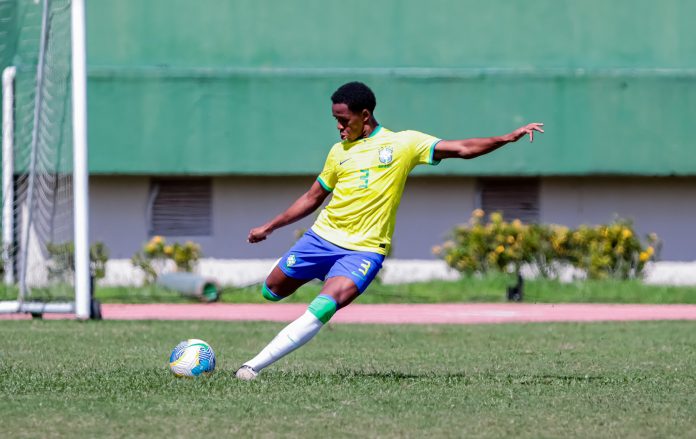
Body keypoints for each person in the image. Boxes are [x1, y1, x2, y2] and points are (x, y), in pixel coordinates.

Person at [235, 81, 543, 380]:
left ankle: (251, 367)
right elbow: (313, 198)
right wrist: (270, 226)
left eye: (344, 120)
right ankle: (318, 271)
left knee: (324, 305)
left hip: (364, 250)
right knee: (271, 291)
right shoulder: (338, 152)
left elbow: (461, 148)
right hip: (321, 238)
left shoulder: (403, 144)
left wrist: (506, 138)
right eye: (336, 121)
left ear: (364, 116)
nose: (340, 127)